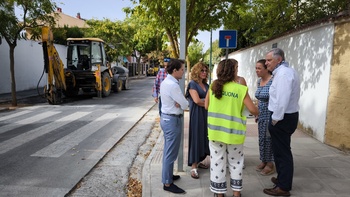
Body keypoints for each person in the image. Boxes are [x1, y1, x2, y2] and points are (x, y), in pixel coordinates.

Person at [205, 59, 258, 197]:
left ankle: (219, 193)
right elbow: (253, 110)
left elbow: (206, 106)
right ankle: (236, 193)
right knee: (236, 162)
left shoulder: (213, 86)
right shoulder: (240, 89)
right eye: (236, 68)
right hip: (234, 134)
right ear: (232, 71)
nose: (237, 71)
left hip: (216, 132)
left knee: (217, 162)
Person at [263, 48, 300, 196]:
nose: (266, 63)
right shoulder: (284, 72)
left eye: (269, 60)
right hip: (285, 117)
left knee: (282, 153)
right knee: (279, 152)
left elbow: (282, 100)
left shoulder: (284, 74)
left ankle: (283, 187)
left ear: (279, 60)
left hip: (282, 118)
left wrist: (275, 119)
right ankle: (282, 179)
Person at [159, 58, 188, 194]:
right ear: (175, 70)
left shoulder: (167, 81)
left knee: (168, 151)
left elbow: (180, 102)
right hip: (172, 120)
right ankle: (167, 183)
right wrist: (181, 103)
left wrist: (179, 102)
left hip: (167, 119)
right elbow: (185, 104)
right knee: (170, 153)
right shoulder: (173, 85)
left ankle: (168, 176)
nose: (184, 72)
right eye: (182, 69)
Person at [186, 62, 210, 179]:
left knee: (204, 137)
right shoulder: (192, 84)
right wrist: (207, 103)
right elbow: (197, 101)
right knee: (196, 137)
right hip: (197, 115)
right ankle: (193, 166)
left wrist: (205, 102)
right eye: (202, 71)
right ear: (196, 72)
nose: (204, 73)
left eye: (206, 71)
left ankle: (200, 160)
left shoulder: (207, 85)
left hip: (206, 114)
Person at [254, 59, 275, 175]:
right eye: (256, 68)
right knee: (262, 139)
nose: (257, 71)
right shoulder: (259, 82)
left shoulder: (273, 81)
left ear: (266, 69)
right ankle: (264, 160)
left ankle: (270, 164)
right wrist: (256, 113)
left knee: (269, 139)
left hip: (270, 114)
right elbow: (258, 99)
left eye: (259, 68)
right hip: (261, 114)